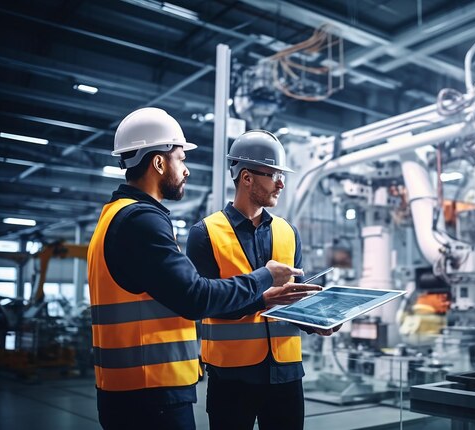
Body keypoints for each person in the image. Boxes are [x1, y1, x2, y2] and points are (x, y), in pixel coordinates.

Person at [87, 108, 318, 430]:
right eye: (180, 159)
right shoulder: (153, 222)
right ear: (158, 163)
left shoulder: (116, 215)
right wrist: (265, 280)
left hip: (278, 370)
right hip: (162, 386)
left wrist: (318, 319)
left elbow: (294, 295)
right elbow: (197, 298)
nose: (186, 170)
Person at [186, 130, 339, 430]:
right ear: (246, 178)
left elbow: (295, 299)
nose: (281, 183)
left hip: (286, 374)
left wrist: (319, 321)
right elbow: (205, 304)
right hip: (231, 377)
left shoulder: (288, 232)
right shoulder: (205, 234)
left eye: (281, 175)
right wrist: (263, 299)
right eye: (273, 175)